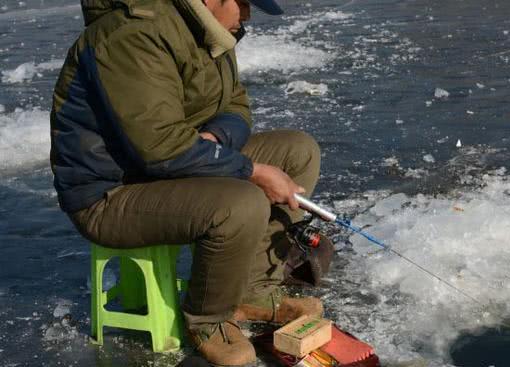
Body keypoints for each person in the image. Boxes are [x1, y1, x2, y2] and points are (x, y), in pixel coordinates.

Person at [50, 0, 325, 365]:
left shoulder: (210, 31)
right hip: (112, 193)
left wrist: (213, 139)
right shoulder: (132, 36)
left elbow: (237, 106)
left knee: (297, 152)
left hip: (171, 166)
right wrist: (251, 170)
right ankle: (209, 320)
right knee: (242, 201)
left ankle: (253, 292)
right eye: (243, 4)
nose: (247, 15)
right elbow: (159, 149)